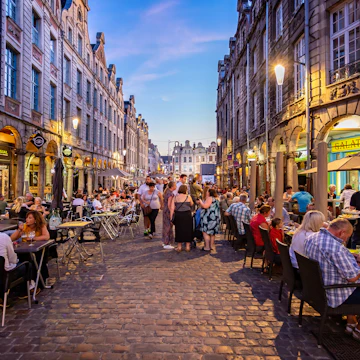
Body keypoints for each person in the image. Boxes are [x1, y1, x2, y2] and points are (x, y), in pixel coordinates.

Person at [304, 218, 360, 340]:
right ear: (341, 233)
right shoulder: (336, 248)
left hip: (317, 289)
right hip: (334, 293)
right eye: (347, 237)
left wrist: (350, 256)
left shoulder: (313, 238)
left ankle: (351, 322)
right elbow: (352, 278)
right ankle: (358, 330)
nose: (346, 240)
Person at [11, 211, 51, 288]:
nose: (27, 220)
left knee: (37, 258)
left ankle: (37, 281)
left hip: (38, 249)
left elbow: (46, 237)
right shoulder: (24, 226)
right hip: (25, 249)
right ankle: (27, 281)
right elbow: (12, 238)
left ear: (35, 219)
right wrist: (19, 230)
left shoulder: (41, 226)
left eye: (30, 218)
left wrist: (34, 238)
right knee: (21, 257)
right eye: (27, 218)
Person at [170, 184, 193, 252]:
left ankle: (179, 246)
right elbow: (191, 204)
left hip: (179, 215)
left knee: (179, 230)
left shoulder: (175, 197)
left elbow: (172, 208)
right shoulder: (188, 197)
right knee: (188, 230)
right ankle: (187, 246)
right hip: (187, 215)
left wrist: (171, 218)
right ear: (185, 190)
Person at [162, 181, 176, 249]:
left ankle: (165, 241)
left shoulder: (166, 192)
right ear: (172, 186)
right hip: (168, 212)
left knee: (165, 226)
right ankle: (167, 242)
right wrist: (171, 214)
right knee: (168, 227)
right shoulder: (170, 194)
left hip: (165, 211)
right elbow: (169, 205)